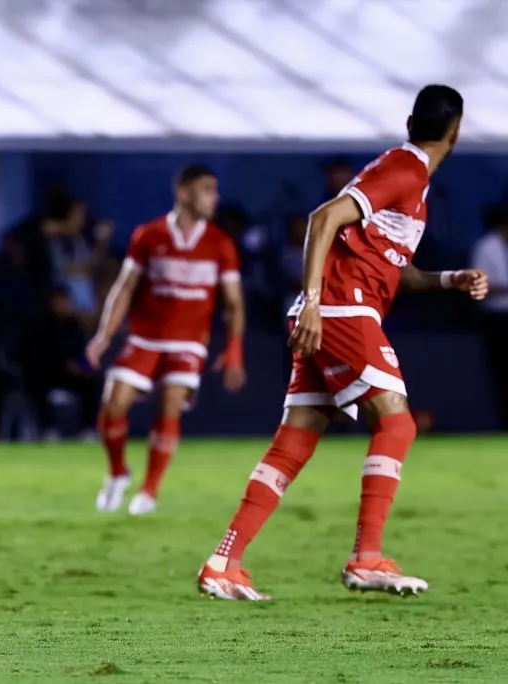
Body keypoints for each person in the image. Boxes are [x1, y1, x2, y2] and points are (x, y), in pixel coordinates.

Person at [197, 85, 489, 601]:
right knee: (397, 423)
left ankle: (224, 562)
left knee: (296, 440)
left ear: (410, 122)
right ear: (456, 133)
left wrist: (449, 279)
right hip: (340, 310)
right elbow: (323, 218)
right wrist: (313, 301)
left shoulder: (406, 178)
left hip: (333, 308)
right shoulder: (405, 168)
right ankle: (367, 557)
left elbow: (394, 269)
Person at [85, 165, 247, 516]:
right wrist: (104, 335)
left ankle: (149, 490)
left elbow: (234, 303)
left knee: (171, 402)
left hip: (188, 342)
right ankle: (118, 473)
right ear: (184, 192)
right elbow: (125, 287)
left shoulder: (220, 243)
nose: (215, 198)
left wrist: (234, 352)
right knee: (113, 404)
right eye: (207, 190)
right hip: (145, 337)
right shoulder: (149, 235)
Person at [470, 203, 508, 429]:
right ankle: (504, 423)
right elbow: (480, 286)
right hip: (497, 320)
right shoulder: (486, 247)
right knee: (502, 373)